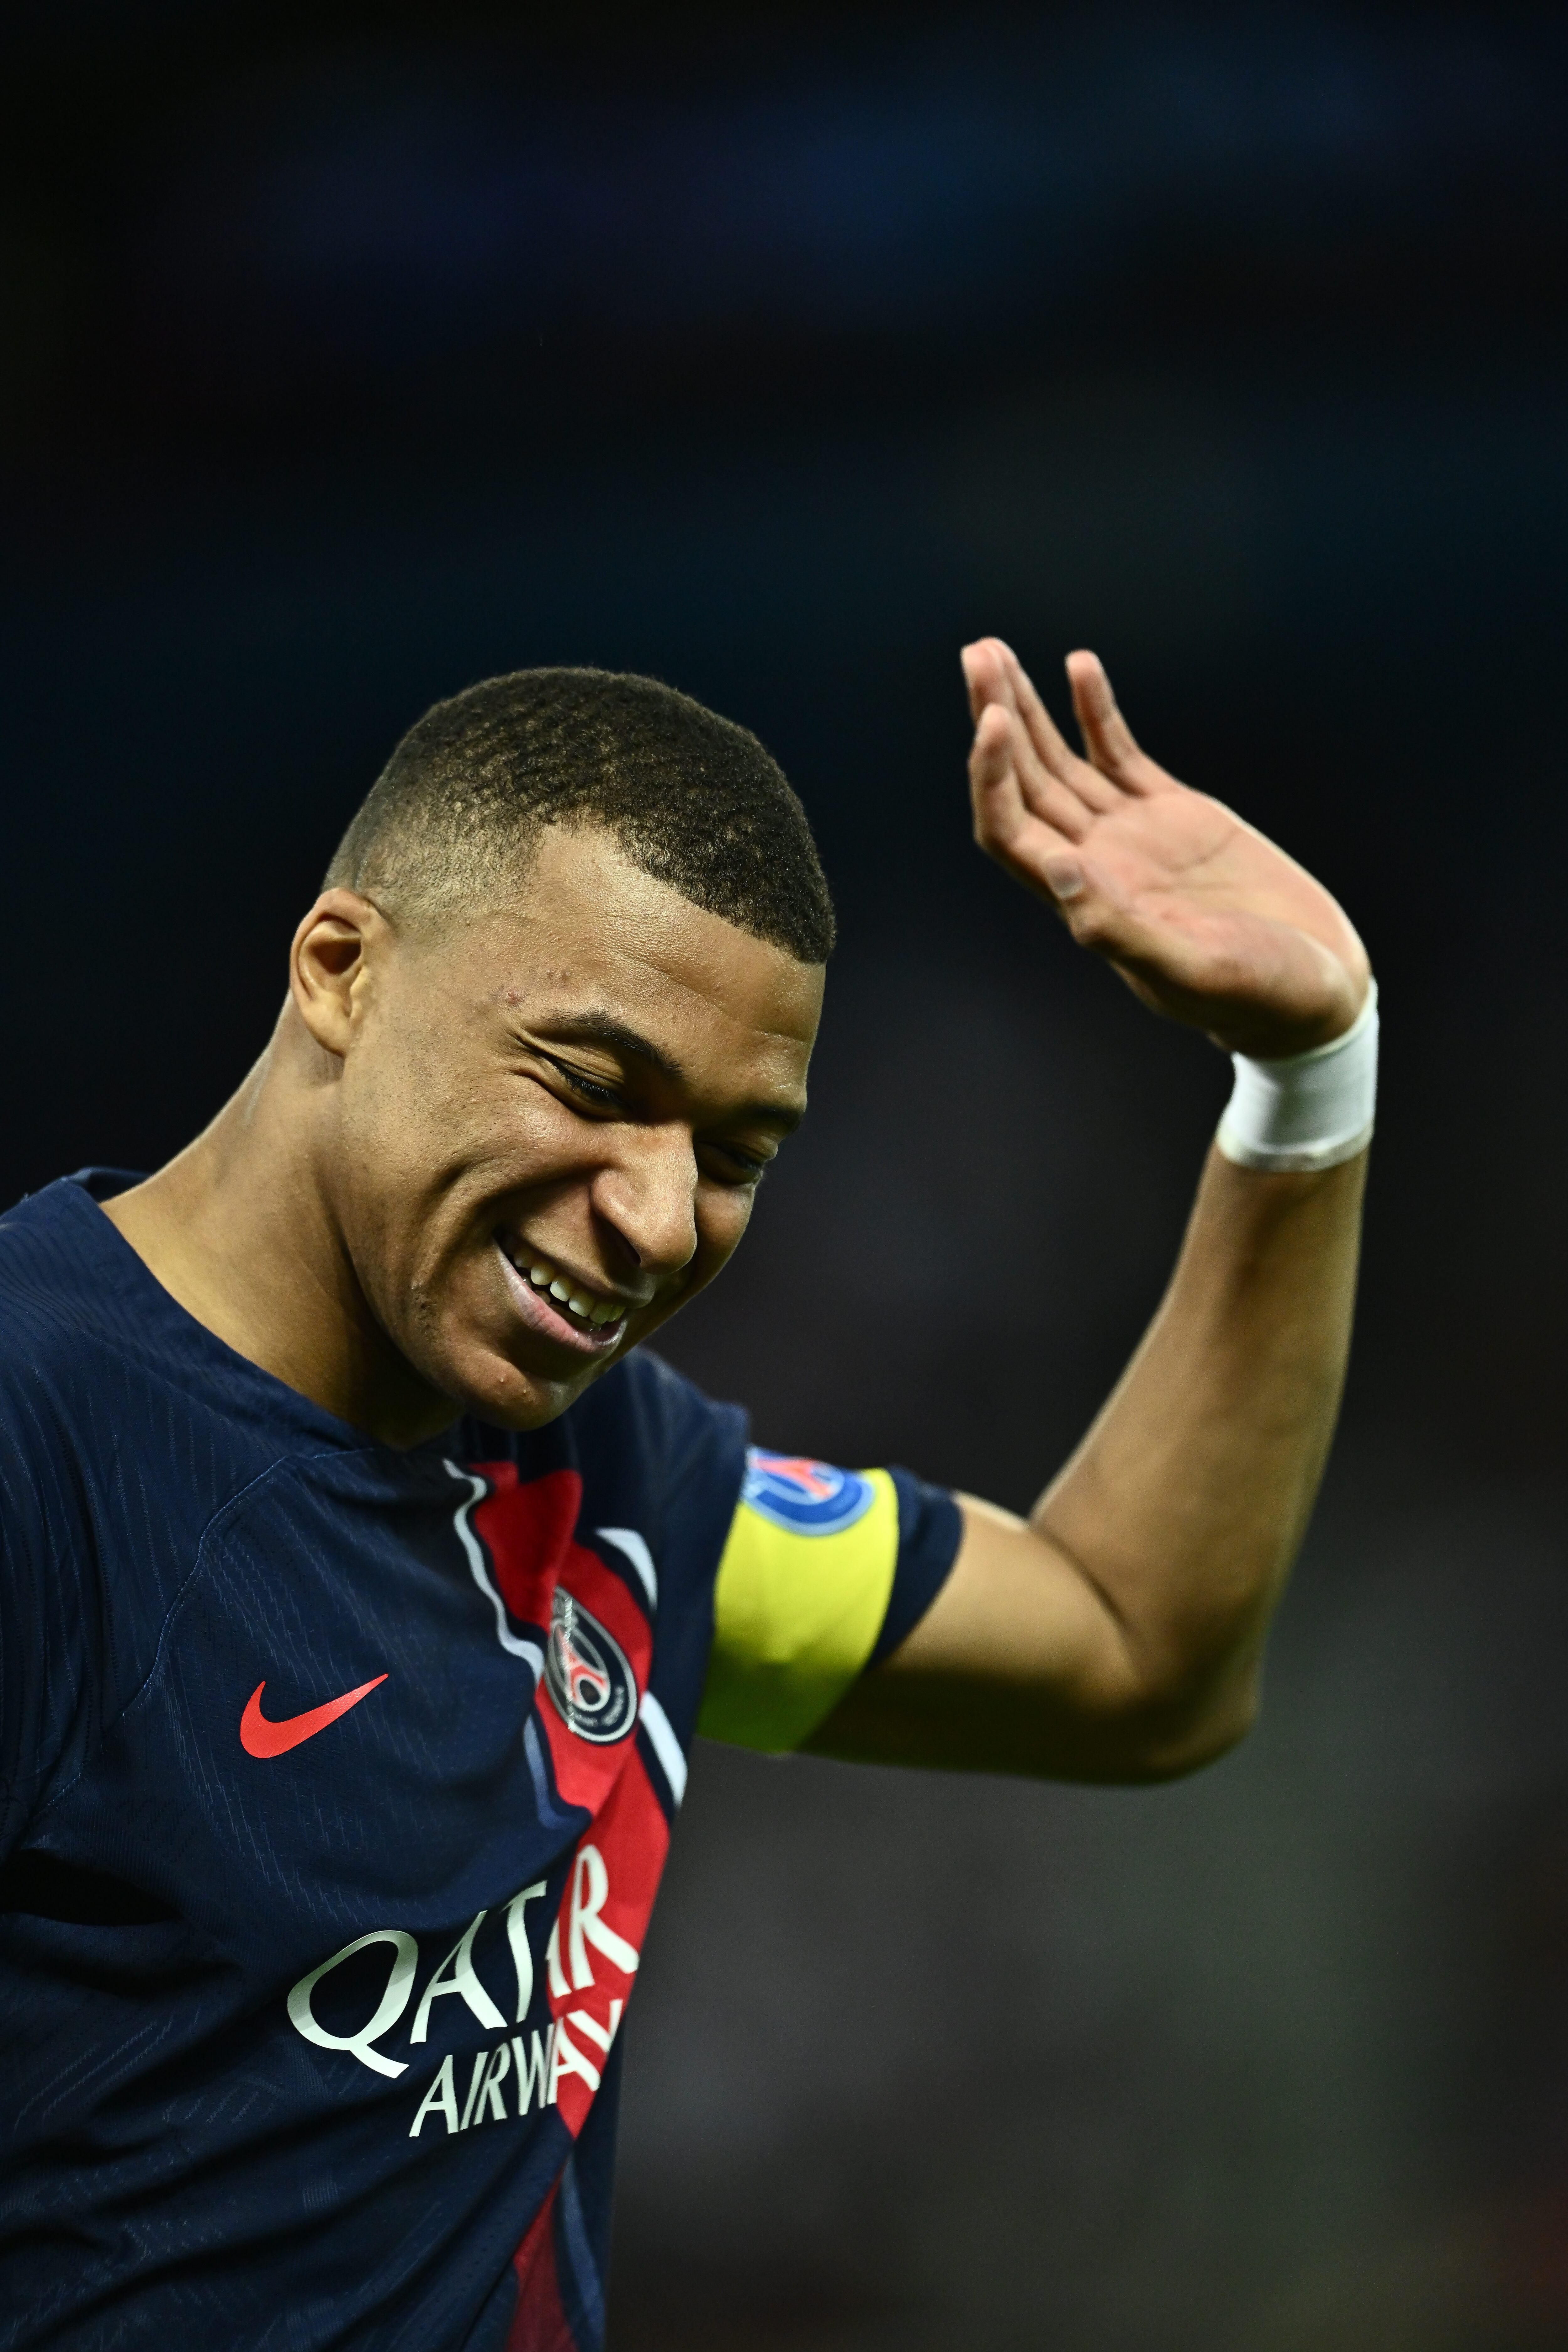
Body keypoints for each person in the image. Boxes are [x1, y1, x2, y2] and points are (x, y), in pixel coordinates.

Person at [0, 640, 1374, 2351]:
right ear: (342, 970)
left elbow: (1136, 1652)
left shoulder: (615, 1476)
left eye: (733, 1153)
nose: (659, 1219)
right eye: (592, 1083)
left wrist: (1311, 1080)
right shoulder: (43, 1441)